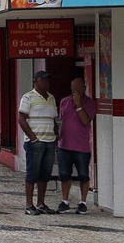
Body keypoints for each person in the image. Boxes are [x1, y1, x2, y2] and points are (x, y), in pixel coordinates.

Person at [18, 70, 58, 215]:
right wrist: (33, 137)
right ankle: (29, 204)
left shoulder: (52, 98)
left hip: (49, 140)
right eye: (44, 80)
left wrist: (56, 135)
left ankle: (41, 203)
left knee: (45, 174)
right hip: (36, 141)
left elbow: (54, 119)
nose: (47, 83)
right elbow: (21, 119)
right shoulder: (28, 97)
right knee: (32, 173)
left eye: (48, 80)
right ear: (36, 81)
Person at [56, 78, 97, 215]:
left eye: (78, 87)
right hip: (64, 144)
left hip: (81, 146)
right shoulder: (64, 101)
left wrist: (79, 105)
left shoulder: (90, 103)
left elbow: (86, 120)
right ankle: (65, 201)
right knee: (64, 174)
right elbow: (61, 121)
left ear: (84, 87)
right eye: (73, 87)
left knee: (83, 175)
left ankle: (83, 202)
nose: (75, 90)